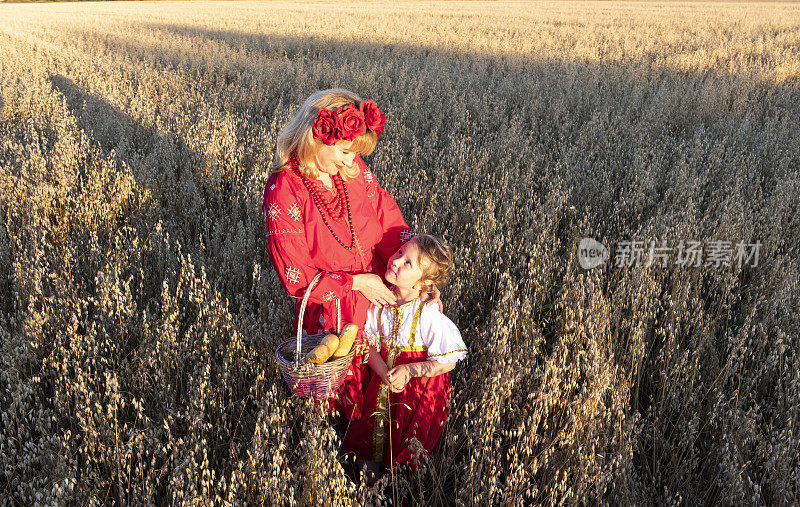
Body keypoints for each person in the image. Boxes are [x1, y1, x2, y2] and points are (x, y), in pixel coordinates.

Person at [262, 89, 439, 419]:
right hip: (335, 314)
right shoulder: (284, 188)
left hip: (381, 296)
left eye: (354, 153)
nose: (350, 160)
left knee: (388, 398)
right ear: (317, 137)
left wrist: (419, 278)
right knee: (344, 406)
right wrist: (358, 283)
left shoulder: (352, 169)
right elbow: (296, 278)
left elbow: (388, 222)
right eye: (344, 151)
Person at [342, 234, 467, 479]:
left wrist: (409, 371)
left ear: (423, 284)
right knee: (370, 433)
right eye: (399, 252)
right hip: (382, 384)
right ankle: (368, 486)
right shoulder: (379, 302)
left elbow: (448, 362)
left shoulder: (427, 314)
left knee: (404, 445)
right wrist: (382, 374)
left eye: (407, 263)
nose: (396, 261)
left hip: (416, 393)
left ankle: (394, 488)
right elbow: (369, 346)